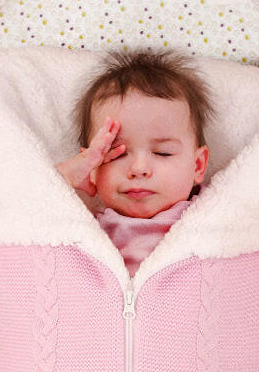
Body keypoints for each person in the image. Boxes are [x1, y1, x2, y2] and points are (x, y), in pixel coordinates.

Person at [56, 48, 214, 276]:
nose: (139, 169)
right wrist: (66, 175)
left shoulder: (214, 214)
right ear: (91, 168)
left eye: (162, 153)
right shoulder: (85, 227)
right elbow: (28, 212)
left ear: (198, 166)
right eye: (117, 153)